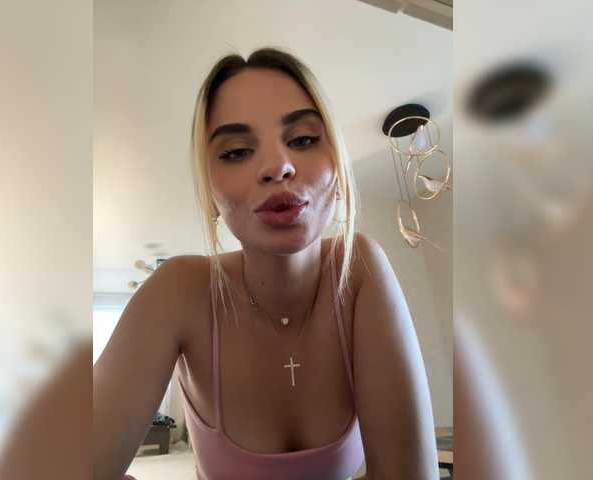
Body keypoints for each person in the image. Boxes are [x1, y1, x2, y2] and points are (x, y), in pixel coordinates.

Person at [94, 47, 438, 480]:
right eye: (237, 151)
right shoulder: (177, 289)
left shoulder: (360, 269)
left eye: (304, 139)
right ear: (210, 194)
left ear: (337, 167)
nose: (278, 166)